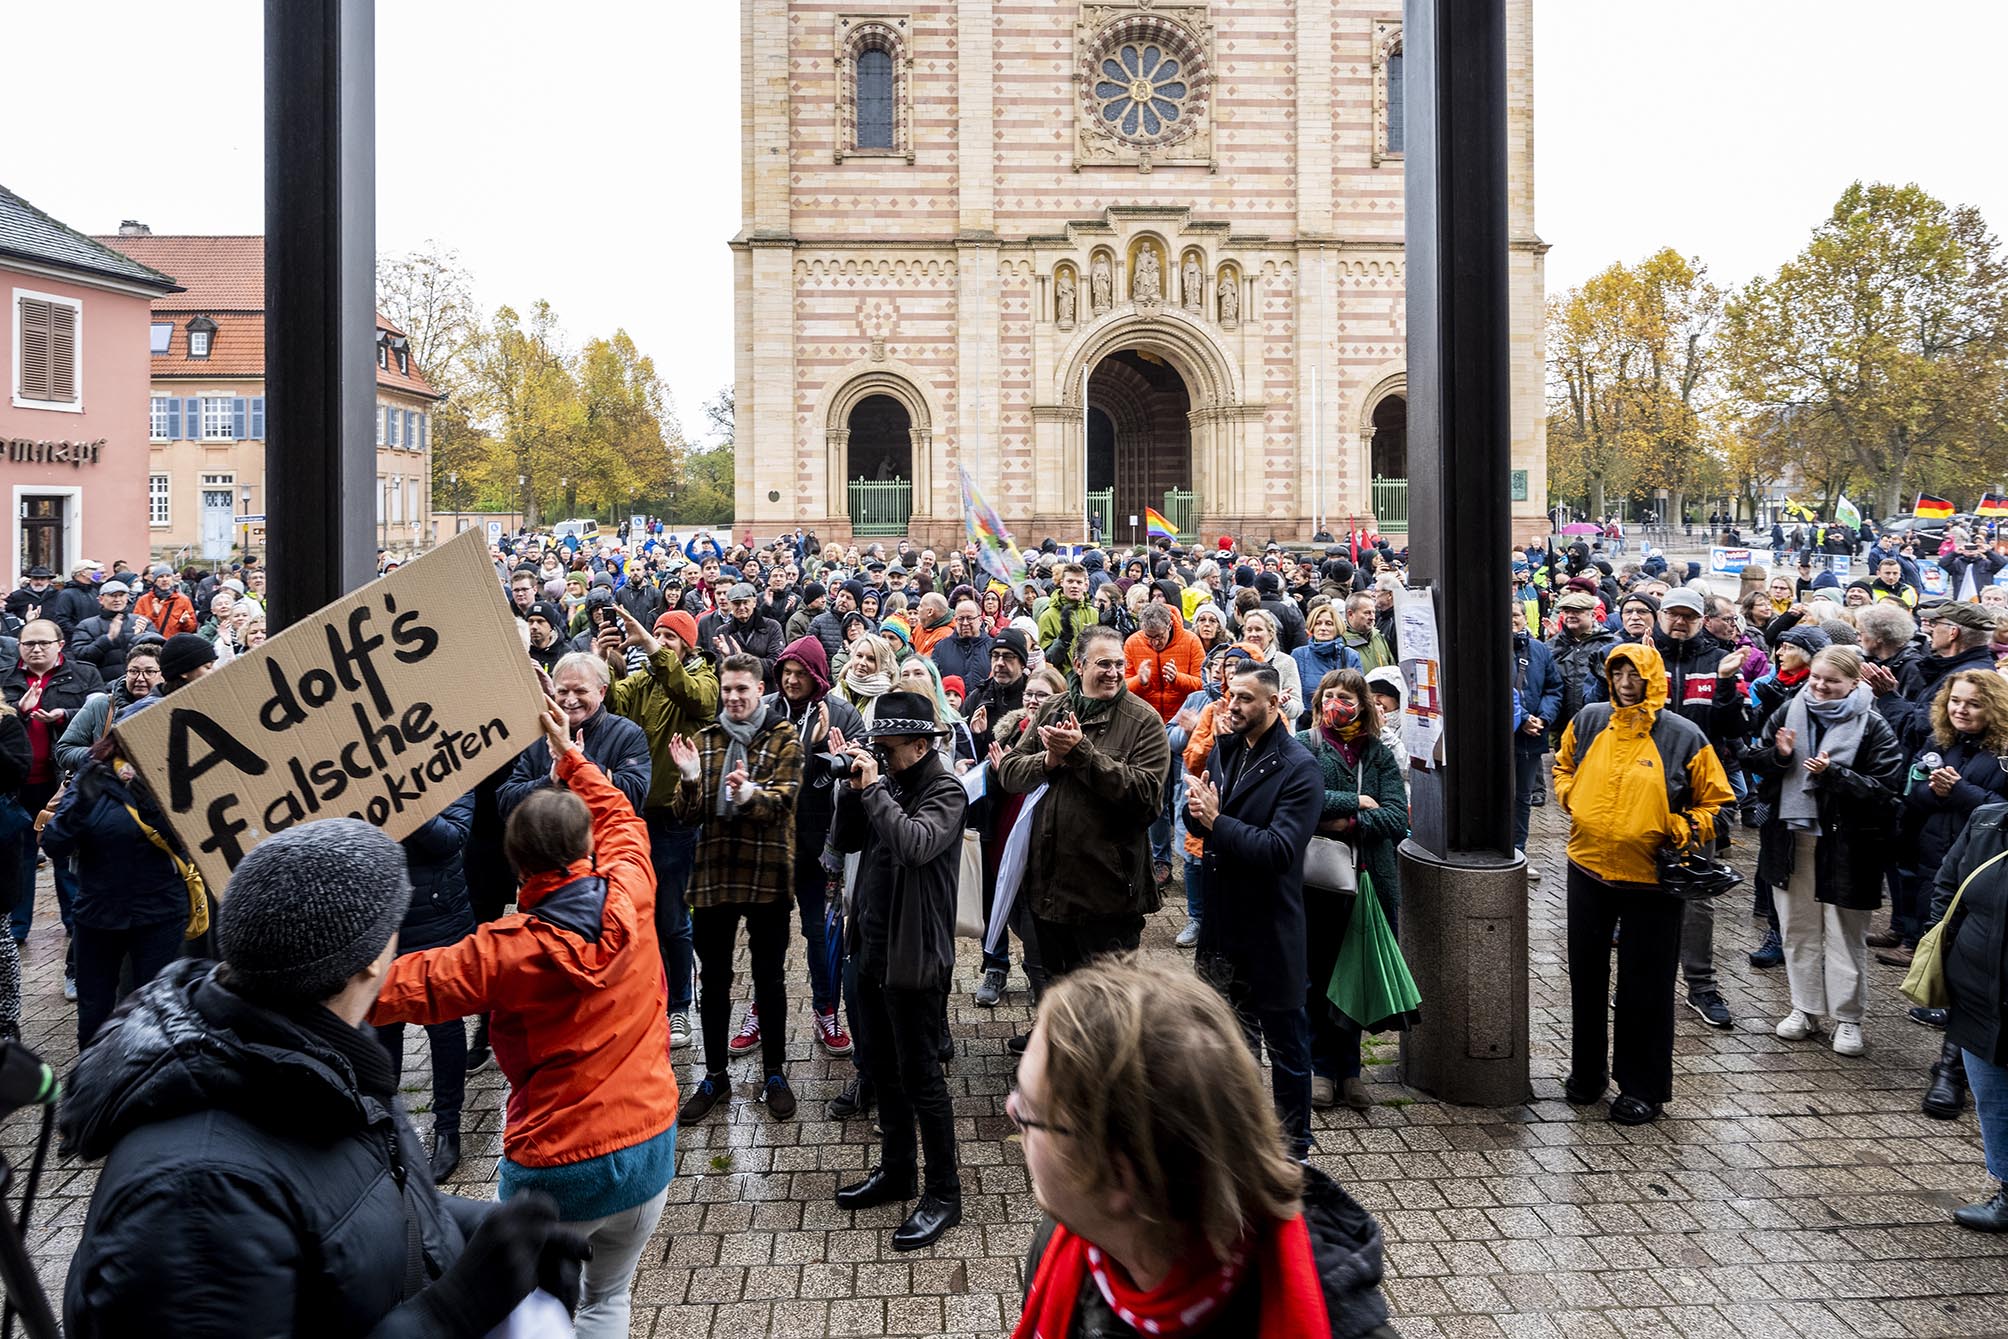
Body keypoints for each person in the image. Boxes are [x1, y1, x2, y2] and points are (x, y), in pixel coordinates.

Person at [63, 818, 592, 1338]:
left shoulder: (319, 1049)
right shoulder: (197, 1196)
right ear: (369, 960)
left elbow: (357, 1196)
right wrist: (451, 1312)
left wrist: (476, 1236)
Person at [371, 698, 673, 1338]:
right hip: (649, 1145)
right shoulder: (633, 888)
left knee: (532, 1314)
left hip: (557, 1167)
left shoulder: (504, 950)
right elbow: (621, 815)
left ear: (515, 864)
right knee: (608, 1298)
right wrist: (571, 754)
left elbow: (402, 986)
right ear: (587, 842)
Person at [1011, 956, 1394, 1338]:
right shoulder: (1066, 1249)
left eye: (1029, 1112)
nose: (1012, 1111)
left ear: (1116, 1177)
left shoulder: (1334, 1325)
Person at [1552, 642, 1732, 1125]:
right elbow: (1562, 764)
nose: (1626, 683)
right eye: (1618, 673)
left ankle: (1642, 1088)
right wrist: (1573, 798)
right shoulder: (1590, 720)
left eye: (1635, 674)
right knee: (1586, 980)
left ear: (1653, 680)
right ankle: (1586, 1074)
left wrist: (1677, 830)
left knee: (1645, 987)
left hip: (1652, 880)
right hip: (1587, 867)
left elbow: (1719, 805)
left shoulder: (1683, 735)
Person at [828, 689, 969, 1250]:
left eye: (887, 750)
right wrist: (849, 791)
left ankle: (944, 1193)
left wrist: (876, 789)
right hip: (871, 948)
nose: (879, 758)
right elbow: (844, 841)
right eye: (875, 749)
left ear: (918, 744)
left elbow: (913, 845)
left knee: (922, 1078)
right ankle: (897, 1172)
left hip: (916, 956)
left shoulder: (946, 791)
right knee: (881, 1069)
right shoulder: (884, 783)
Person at [996, 624, 1170, 1050]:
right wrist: (1050, 761)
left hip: (1108, 897)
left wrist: (1082, 755)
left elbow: (1148, 799)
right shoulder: (1053, 708)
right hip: (1049, 892)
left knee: (1109, 1010)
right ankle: (1060, 1080)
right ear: (1078, 665)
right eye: (1103, 663)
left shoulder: (1143, 721)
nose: (1113, 672)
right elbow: (1010, 772)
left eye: (1119, 665)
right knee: (1058, 997)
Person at [1184, 660, 1323, 1159]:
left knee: (1286, 1045)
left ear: (1276, 701)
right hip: (1225, 926)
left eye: (1245, 698)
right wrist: (1196, 812)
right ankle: (1241, 1136)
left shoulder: (1299, 767)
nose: (1233, 705)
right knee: (1232, 1041)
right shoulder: (1227, 748)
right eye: (1229, 695)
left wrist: (1216, 821)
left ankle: (1294, 1147)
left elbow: (1280, 851)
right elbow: (1204, 822)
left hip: (1270, 928)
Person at [1747, 646, 1903, 1057]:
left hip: (1849, 844)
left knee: (1844, 933)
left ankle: (1848, 1017)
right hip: (1790, 838)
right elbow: (1756, 763)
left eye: (1832, 681)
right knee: (1797, 929)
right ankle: (1805, 1007)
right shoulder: (1787, 711)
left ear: (1854, 683)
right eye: (1816, 677)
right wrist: (1778, 757)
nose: (1820, 685)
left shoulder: (1873, 724)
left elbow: (1887, 789)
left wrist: (1835, 776)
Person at [670, 653, 804, 1122]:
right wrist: (689, 779)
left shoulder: (784, 737)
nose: (733, 698)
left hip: (767, 874)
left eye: (742, 690)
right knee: (715, 980)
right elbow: (686, 815)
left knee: (769, 978)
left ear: (759, 688)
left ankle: (775, 1072)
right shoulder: (705, 741)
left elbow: (783, 802)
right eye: (727, 690)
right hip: (715, 876)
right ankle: (715, 1076)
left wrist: (747, 794)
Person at [596, 606, 719, 1052]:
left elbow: (698, 700)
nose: (662, 643)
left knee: (672, 918)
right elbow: (612, 710)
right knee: (634, 916)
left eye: (670, 638)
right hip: (634, 816)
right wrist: (608, 665)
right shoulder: (644, 680)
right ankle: (646, 997)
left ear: (686, 644)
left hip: (674, 818)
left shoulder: (702, 675)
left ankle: (682, 1006)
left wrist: (650, 646)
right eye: (658, 636)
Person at [1295, 669, 1408, 1112]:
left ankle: (1350, 1070)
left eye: (1345, 697)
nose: (1334, 705)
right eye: (1328, 696)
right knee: (1318, 976)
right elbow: (1304, 801)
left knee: (1355, 972)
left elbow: (1397, 816)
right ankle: (1319, 1069)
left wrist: (1349, 822)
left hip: (1368, 879)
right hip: (1319, 880)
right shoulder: (1306, 746)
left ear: (1362, 704)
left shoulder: (1377, 753)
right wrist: (1357, 802)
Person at [41, 728, 194, 1052]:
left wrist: (153, 810)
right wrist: (81, 805)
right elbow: (55, 844)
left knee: (155, 1008)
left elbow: (190, 840)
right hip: (99, 912)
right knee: (94, 1011)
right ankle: (93, 1084)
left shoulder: (171, 773)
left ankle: (151, 1080)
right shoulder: (91, 778)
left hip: (160, 911)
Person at [1908, 671, 2008, 1117]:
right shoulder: (1939, 744)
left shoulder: (2002, 754)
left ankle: (1951, 1069)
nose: (1961, 710)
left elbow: (1998, 809)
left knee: (1980, 974)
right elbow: (1908, 794)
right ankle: (1954, 1061)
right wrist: (1930, 790)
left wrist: (1960, 791)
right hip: (1939, 864)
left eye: (1972, 703)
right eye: (1955, 701)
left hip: (1987, 874)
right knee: (1953, 962)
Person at [763, 635, 861, 1059]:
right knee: (768, 933)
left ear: (817, 675)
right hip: (770, 846)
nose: (791, 680)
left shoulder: (840, 713)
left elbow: (855, 766)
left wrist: (823, 747)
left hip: (819, 846)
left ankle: (826, 1008)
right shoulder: (766, 709)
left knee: (819, 934)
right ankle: (758, 1009)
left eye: (800, 673)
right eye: (786, 672)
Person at [372, 792, 477, 1182]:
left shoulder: (444, 774)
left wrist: (405, 804)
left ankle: (447, 1129)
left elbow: (450, 838)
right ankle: (386, 1127)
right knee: (383, 1031)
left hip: (437, 921)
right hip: (386, 923)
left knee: (444, 1031)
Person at [3, 616, 103, 967]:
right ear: (19, 647)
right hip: (18, 784)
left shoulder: (84, 674)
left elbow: (102, 715)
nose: (36, 649)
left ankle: (74, 922)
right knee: (22, 857)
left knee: (65, 855)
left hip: (62, 783)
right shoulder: (7, 679)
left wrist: (63, 715)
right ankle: (17, 927)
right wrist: (19, 711)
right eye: (29, 643)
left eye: (44, 643)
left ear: (60, 645)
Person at [1930, 801, 2008, 1230]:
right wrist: (1944, 952)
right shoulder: (1986, 820)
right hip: (1976, 995)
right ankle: (2007, 1193)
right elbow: (1947, 886)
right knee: (1993, 1098)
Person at [497, 650, 652, 820]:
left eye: (580, 691)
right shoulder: (541, 734)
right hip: (546, 843)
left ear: (602, 692)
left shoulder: (628, 734)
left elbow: (635, 799)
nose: (570, 700)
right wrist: (550, 780)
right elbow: (506, 802)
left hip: (602, 843)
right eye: (563, 692)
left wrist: (578, 760)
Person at [1510, 602, 1562, 879]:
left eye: (1516, 614)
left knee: (1522, 799)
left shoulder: (1539, 650)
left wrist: (1542, 718)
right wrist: (1524, 717)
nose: (1512, 620)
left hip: (1531, 740)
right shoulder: (1489, 646)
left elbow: (1554, 687)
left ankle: (1518, 852)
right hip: (1504, 737)